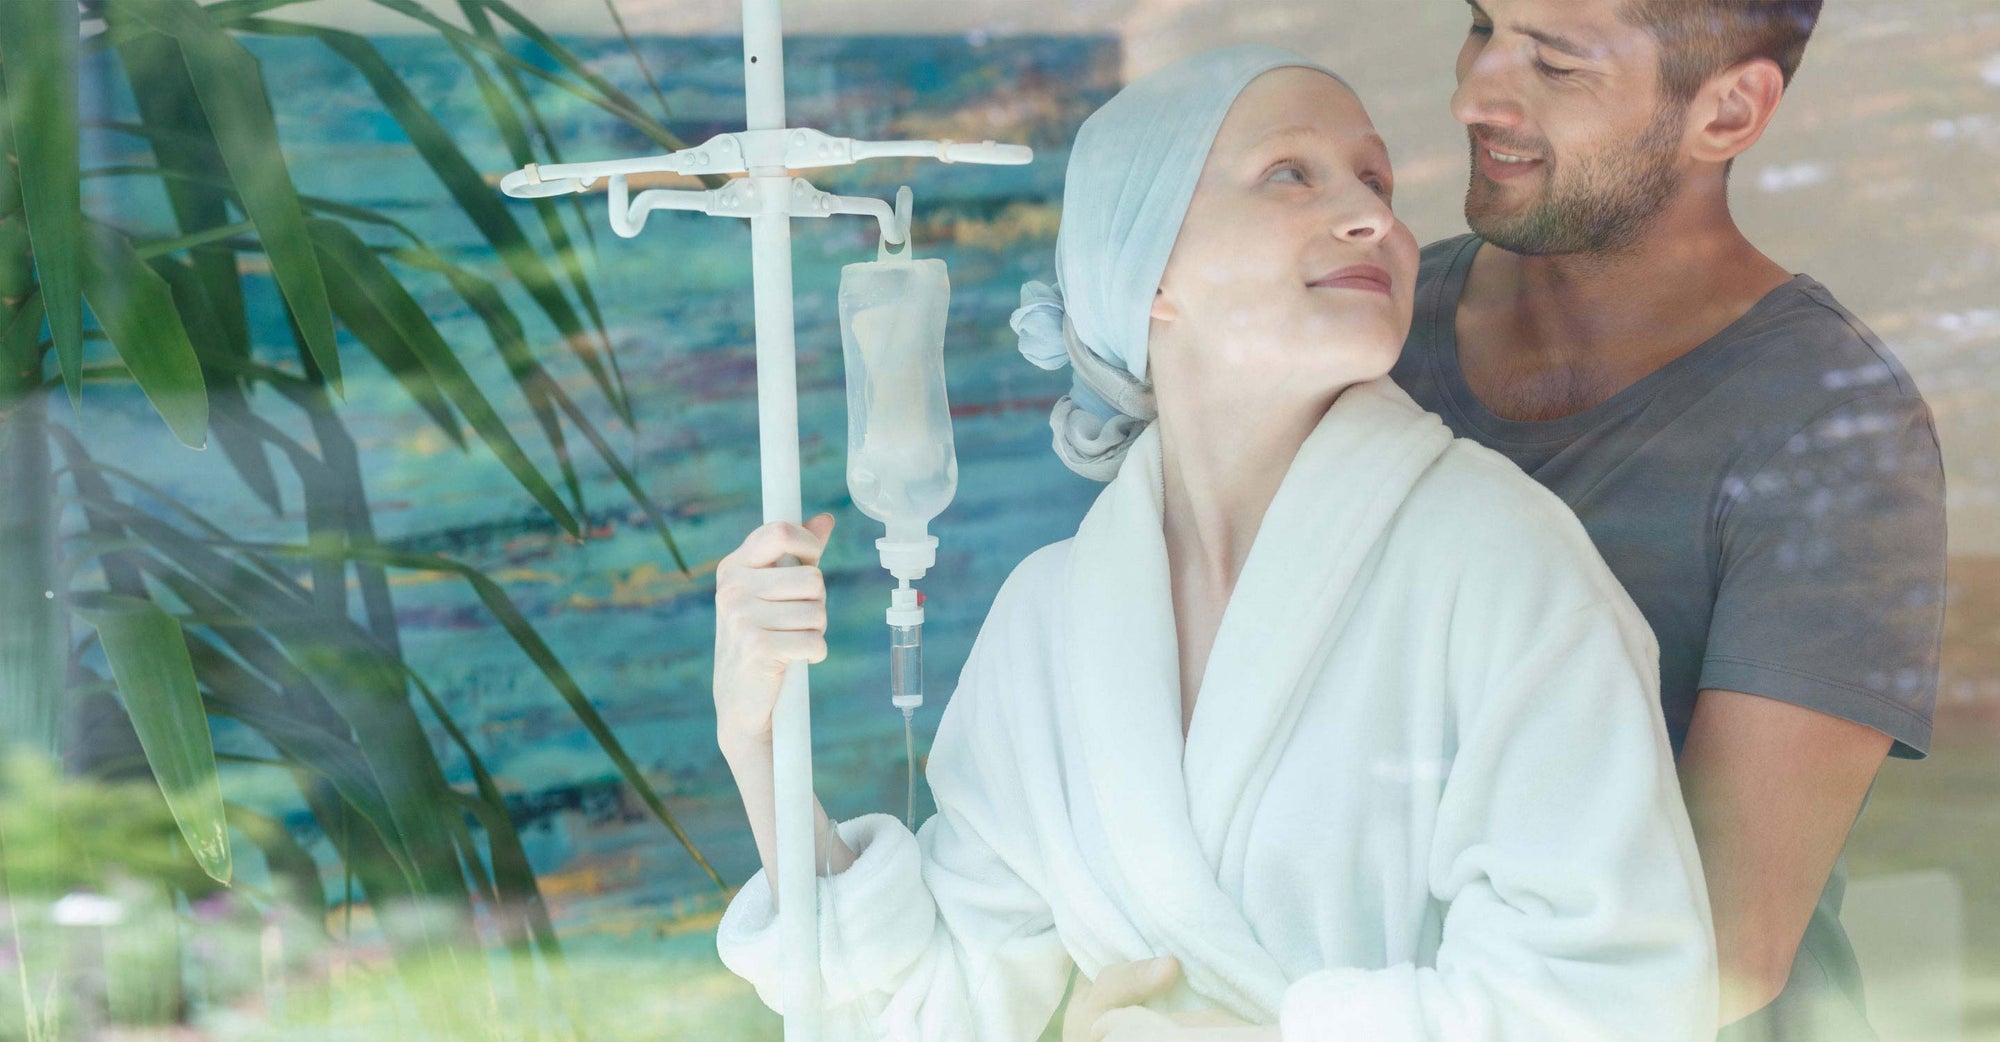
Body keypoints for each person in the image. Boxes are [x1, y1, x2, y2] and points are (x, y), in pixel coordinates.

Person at [711, 45, 1715, 1041]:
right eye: (1290, 174)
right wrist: (758, 742)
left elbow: (1613, 998)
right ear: (1147, 271)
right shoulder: (1051, 624)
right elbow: (928, 1016)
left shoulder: (1497, 558)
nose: (1376, 215)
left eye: (1374, 179)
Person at [1390, 2, 1948, 1039]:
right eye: (1478, 25)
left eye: (1553, 63)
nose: (1472, 95)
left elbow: (1717, 950)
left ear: (1727, 112)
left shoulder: (1829, 426)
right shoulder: (1368, 332)